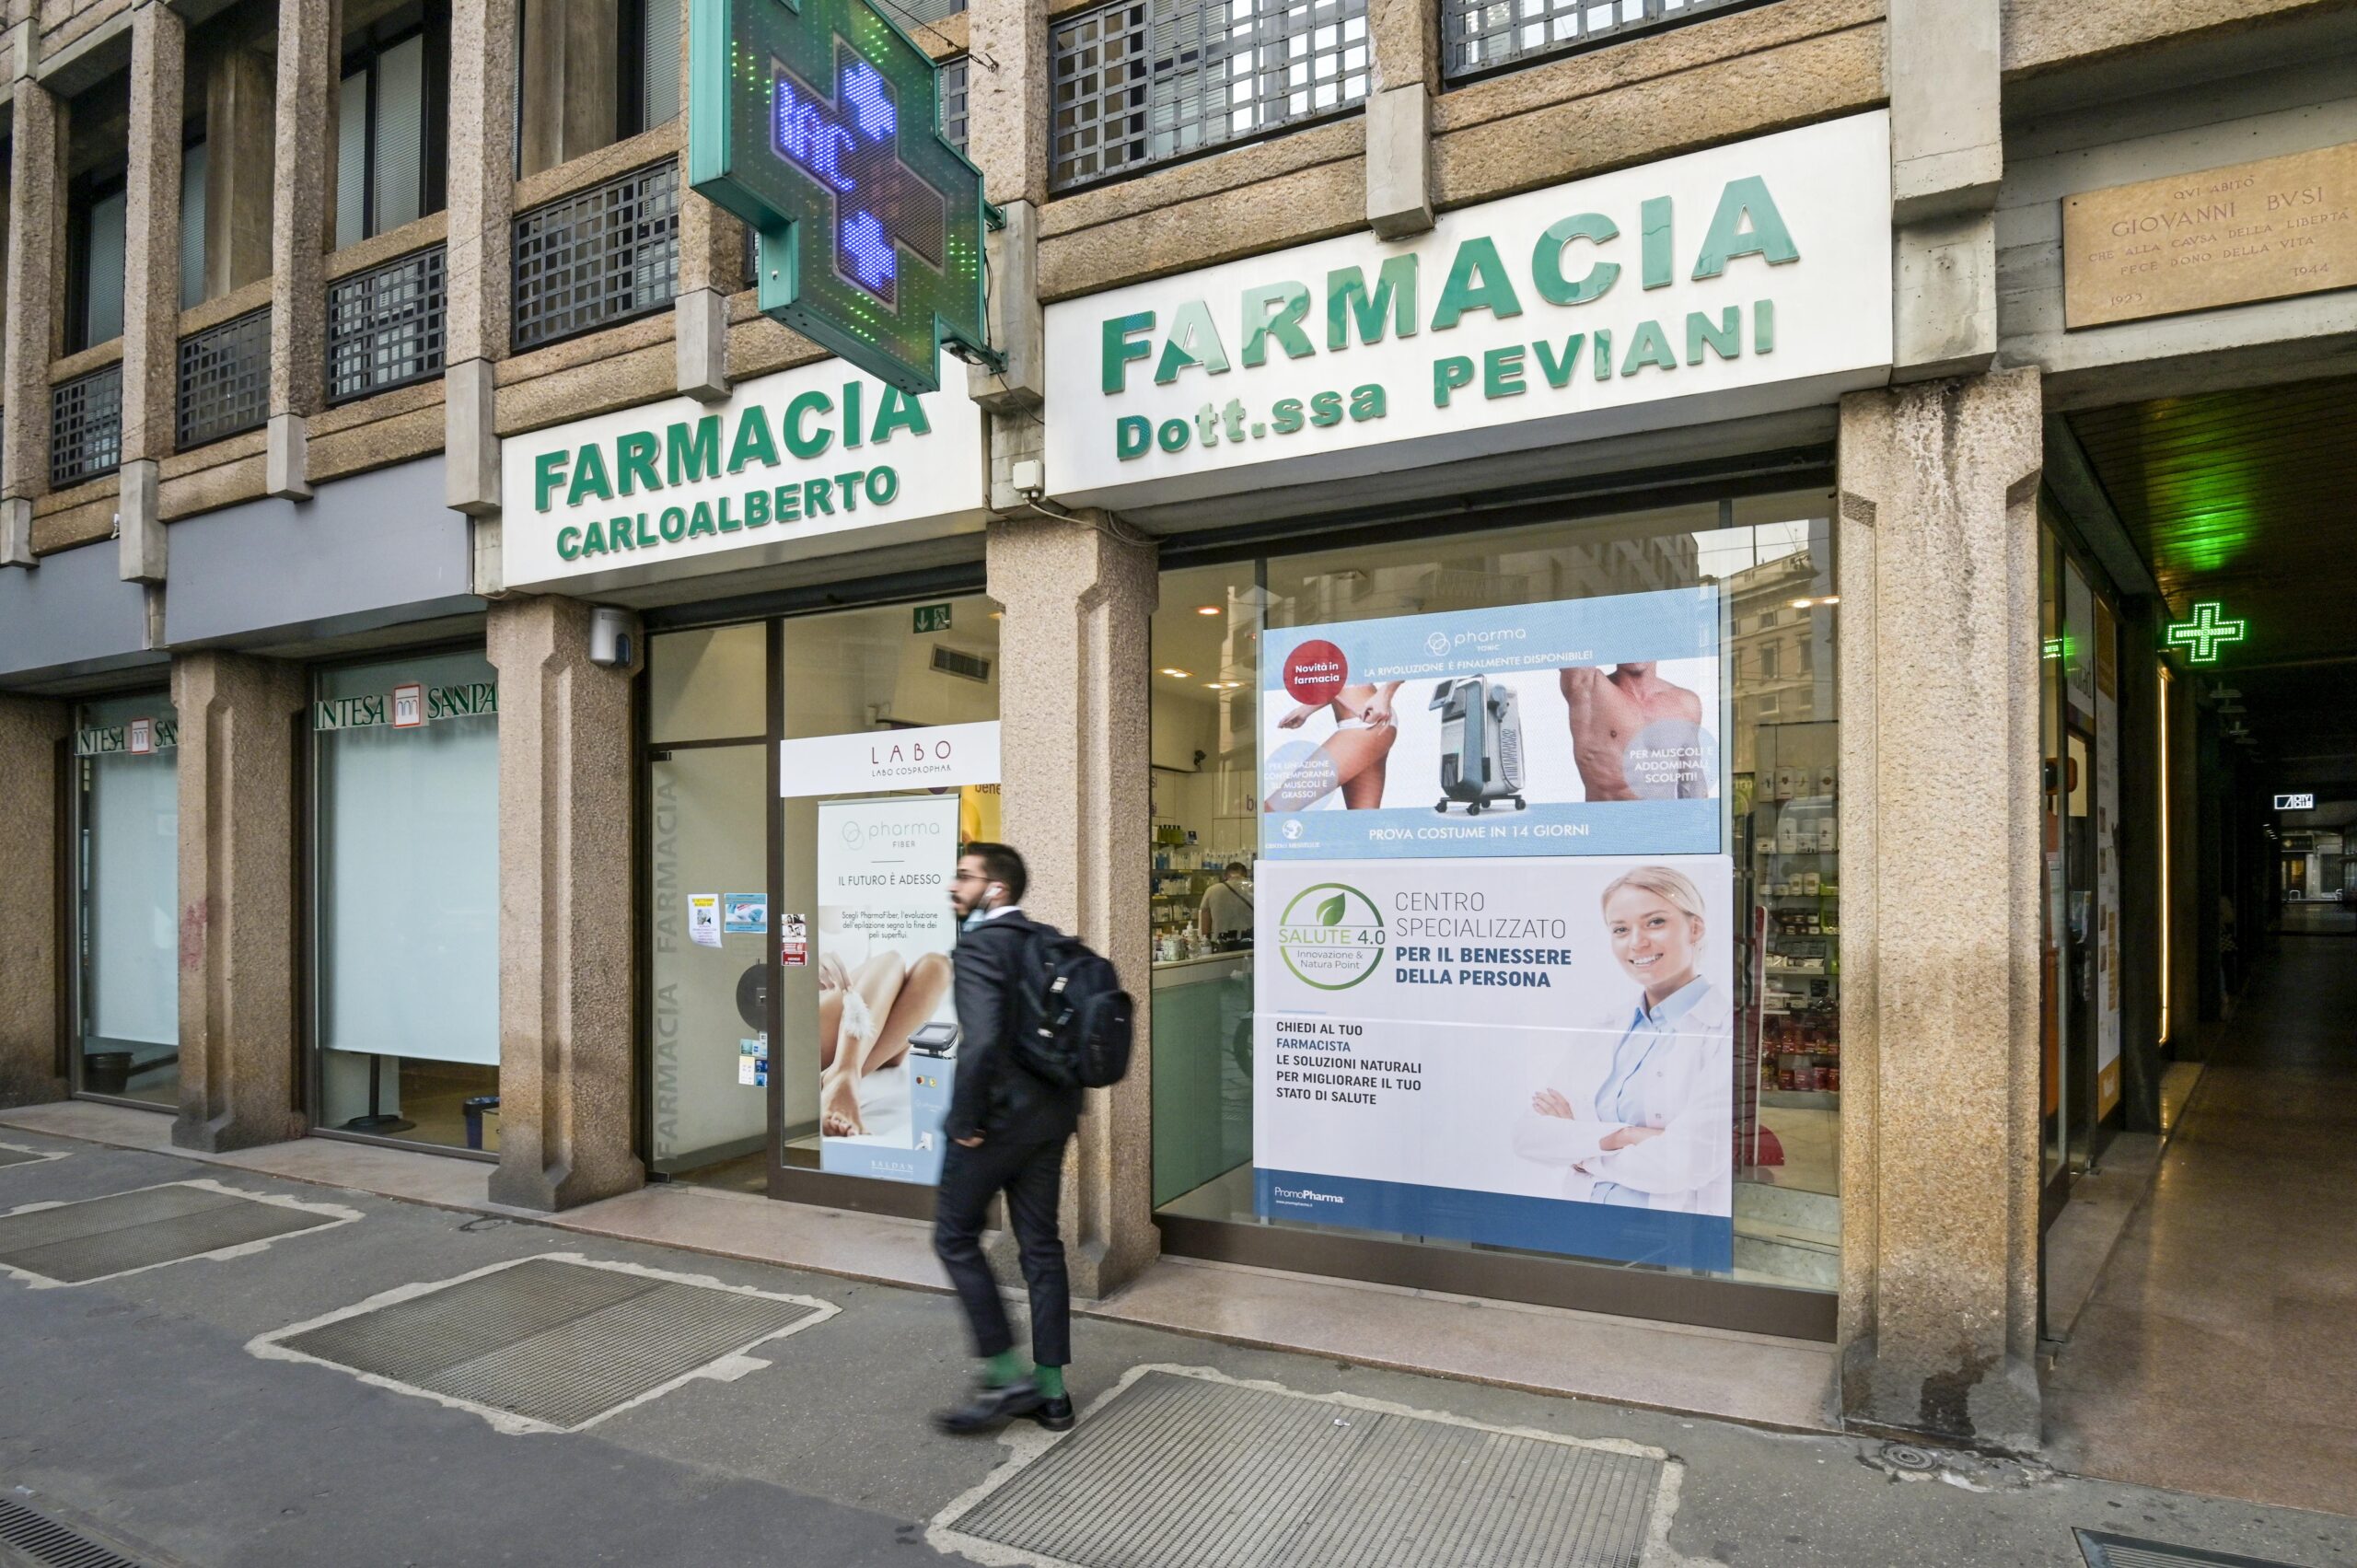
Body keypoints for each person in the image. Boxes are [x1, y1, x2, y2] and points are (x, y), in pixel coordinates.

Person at [931, 842, 1081, 1434]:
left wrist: (963, 1122)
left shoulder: (980, 947)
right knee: (1041, 1247)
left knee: (954, 1238)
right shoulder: (1048, 941)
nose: (954, 885)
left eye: (965, 877)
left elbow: (983, 1042)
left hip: (994, 1127)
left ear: (996, 889)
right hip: (1051, 1121)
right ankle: (1053, 1393)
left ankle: (1005, 1373)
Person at [1515, 865, 1733, 1214]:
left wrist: (1580, 1150)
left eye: (1655, 922)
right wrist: (1625, 1136)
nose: (1637, 942)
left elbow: (1687, 1162)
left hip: (1664, 1233)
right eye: (1620, 929)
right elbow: (1530, 1136)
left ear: (1695, 928)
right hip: (1582, 1221)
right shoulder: (1606, 1027)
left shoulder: (1724, 1029)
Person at [816, 947, 953, 1137]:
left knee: (937, 967)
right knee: (891, 960)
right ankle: (843, 1071)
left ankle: (843, 1075)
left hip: (866, 1039)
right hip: (809, 1032)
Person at [1561, 663, 1707, 801]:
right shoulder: (1588, 688)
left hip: (1663, 819)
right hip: (1609, 818)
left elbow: (1693, 784)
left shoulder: (1686, 704)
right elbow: (1570, 649)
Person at [1263, 680, 1404, 812]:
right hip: (1367, 721)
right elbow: (1338, 680)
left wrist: (1385, 693)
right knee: (1362, 822)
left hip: (1364, 721)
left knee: (1272, 810)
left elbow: (1400, 663)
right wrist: (1306, 709)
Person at [1197, 862, 1253, 945]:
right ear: (1246, 874)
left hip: (1220, 942)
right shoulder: (1257, 888)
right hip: (1250, 941)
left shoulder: (1212, 890)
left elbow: (1205, 921)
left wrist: (1207, 942)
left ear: (1225, 875)